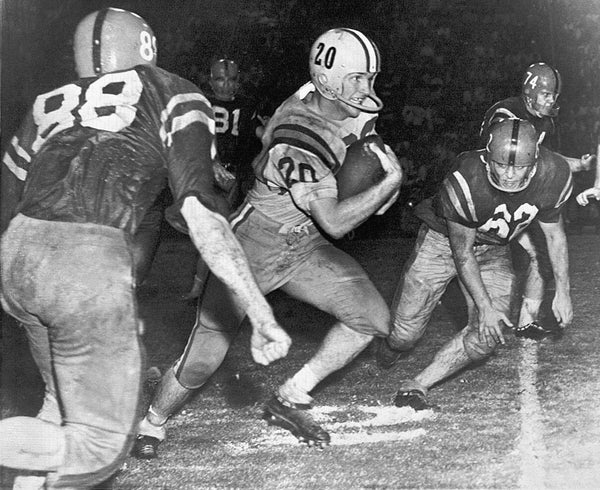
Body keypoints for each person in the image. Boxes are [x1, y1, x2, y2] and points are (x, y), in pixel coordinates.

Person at [0, 8, 290, 489]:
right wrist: (259, 313)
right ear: (147, 47)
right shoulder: (169, 89)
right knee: (99, 448)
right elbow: (203, 216)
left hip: (17, 257)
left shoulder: (45, 102)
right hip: (86, 256)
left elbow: (6, 202)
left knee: (60, 405)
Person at [133, 27, 403, 458]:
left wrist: (372, 183)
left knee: (371, 319)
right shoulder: (300, 135)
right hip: (254, 245)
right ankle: (153, 422)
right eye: (357, 78)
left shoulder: (329, 96)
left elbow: (358, 141)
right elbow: (334, 221)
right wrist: (389, 183)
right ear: (328, 79)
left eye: (369, 77)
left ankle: (291, 395)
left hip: (303, 246)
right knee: (204, 358)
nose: (366, 88)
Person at [377, 118, 572, 409]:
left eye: (518, 167)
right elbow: (463, 253)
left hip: (493, 249)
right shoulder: (468, 177)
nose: (508, 175)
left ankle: (418, 384)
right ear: (487, 157)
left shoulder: (552, 173)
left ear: (534, 164)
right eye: (501, 165)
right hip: (442, 243)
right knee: (404, 336)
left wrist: (564, 291)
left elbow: (555, 236)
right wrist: (485, 306)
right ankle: (391, 346)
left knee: (486, 335)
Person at [477, 62, 592, 336]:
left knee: (541, 253)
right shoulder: (506, 115)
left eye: (554, 95)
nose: (551, 100)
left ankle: (526, 321)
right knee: (473, 252)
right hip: (490, 192)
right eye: (546, 95)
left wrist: (582, 165)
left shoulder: (543, 122)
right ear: (530, 92)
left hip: (520, 192)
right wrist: (577, 165)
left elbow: (543, 160)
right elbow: (512, 161)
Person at [184, 58, 267, 299]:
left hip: (237, 179)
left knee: (231, 232)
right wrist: (211, 162)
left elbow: (261, 135)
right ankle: (200, 287)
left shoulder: (247, 107)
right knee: (211, 232)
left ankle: (216, 286)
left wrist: (274, 130)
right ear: (211, 80)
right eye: (220, 79)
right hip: (206, 176)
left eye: (231, 79)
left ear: (238, 82)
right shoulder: (200, 104)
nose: (226, 85)